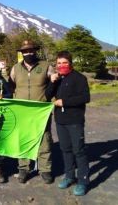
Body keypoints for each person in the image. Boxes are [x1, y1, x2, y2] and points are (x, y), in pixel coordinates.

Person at [9, 40, 54, 184]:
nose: (28, 53)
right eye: (25, 51)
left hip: (40, 111)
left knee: (44, 139)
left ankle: (45, 169)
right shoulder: (15, 68)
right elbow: (10, 87)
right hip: (21, 111)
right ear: (21, 53)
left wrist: (47, 98)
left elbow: (53, 84)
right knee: (22, 139)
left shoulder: (46, 66)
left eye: (31, 51)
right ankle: (23, 168)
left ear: (35, 51)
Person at [45, 51, 90, 196]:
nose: (62, 65)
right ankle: (69, 176)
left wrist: (65, 102)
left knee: (79, 151)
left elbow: (85, 97)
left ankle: (83, 181)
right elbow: (48, 95)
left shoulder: (79, 78)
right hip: (60, 121)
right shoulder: (57, 79)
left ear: (70, 63)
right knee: (65, 149)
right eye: (59, 63)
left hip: (75, 121)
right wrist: (52, 82)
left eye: (64, 63)